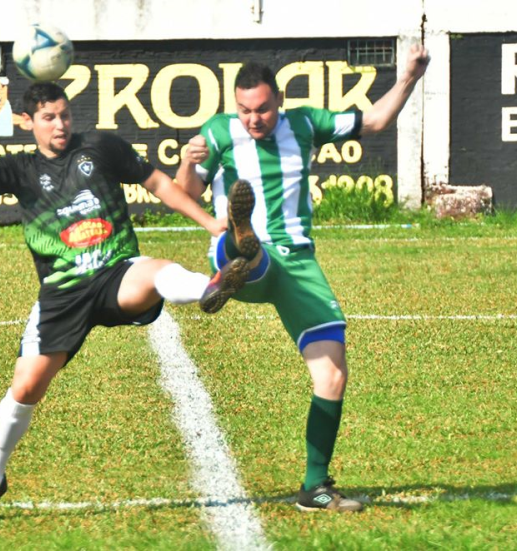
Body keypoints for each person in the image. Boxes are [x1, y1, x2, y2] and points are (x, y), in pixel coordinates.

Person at [0, 82, 250, 521]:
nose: (60, 124)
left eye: (64, 115)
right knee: (25, 390)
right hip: (62, 295)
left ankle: (211, 287)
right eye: (48, 118)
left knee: (155, 273)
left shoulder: (100, 147)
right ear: (28, 123)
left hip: (115, 271)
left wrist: (213, 224)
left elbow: (157, 182)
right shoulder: (20, 169)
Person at [176, 44, 430, 512]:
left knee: (332, 372)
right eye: (245, 110)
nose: (254, 119)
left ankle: (316, 487)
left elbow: (373, 122)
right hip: (239, 250)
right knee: (251, 253)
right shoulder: (218, 132)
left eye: (263, 109)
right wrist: (190, 161)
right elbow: (183, 192)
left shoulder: (306, 123)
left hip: (299, 263)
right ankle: (238, 247)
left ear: (280, 102)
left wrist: (409, 77)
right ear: (236, 107)